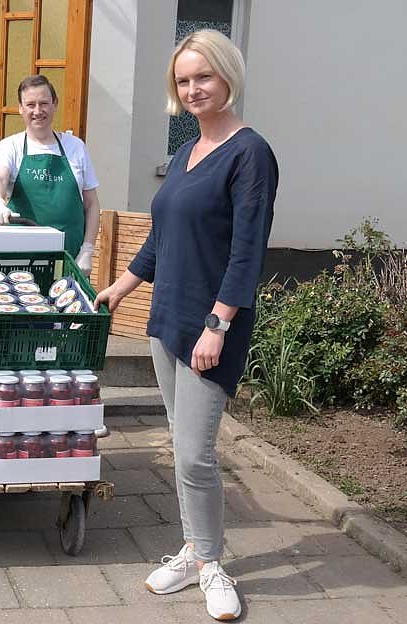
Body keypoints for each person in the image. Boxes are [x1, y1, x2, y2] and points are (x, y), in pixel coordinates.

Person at [95, 30, 277, 621]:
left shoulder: (250, 154)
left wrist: (218, 324)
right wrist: (120, 287)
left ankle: (212, 565)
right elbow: (162, 236)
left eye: (204, 76)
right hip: (167, 319)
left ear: (228, 76)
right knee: (179, 448)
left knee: (196, 456)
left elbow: (247, 252)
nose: (193, 88)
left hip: (210, 326)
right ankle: (194, 550)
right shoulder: (186, 152)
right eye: (183, 80)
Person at [0, 75, 101, 275]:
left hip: (70, 260)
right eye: (30, 105)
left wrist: (87, 250)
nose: (38, 111)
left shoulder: (76, 147)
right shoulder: (9, 146)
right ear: (21, 108)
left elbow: (92, 204)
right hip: (20, 262)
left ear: (55, 104)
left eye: (44, 103)